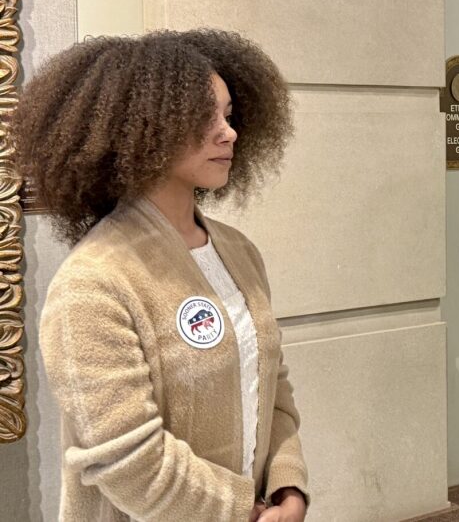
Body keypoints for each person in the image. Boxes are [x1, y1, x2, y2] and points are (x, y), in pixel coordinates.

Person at [14, 30, 309, 521]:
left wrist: (288, 488)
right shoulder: (94, 282)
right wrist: (247, 513)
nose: (228, 132)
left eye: (229, 115)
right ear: (140, 130)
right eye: (203, 117)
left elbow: (273, 389)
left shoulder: (239, 252)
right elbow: (126, 458)